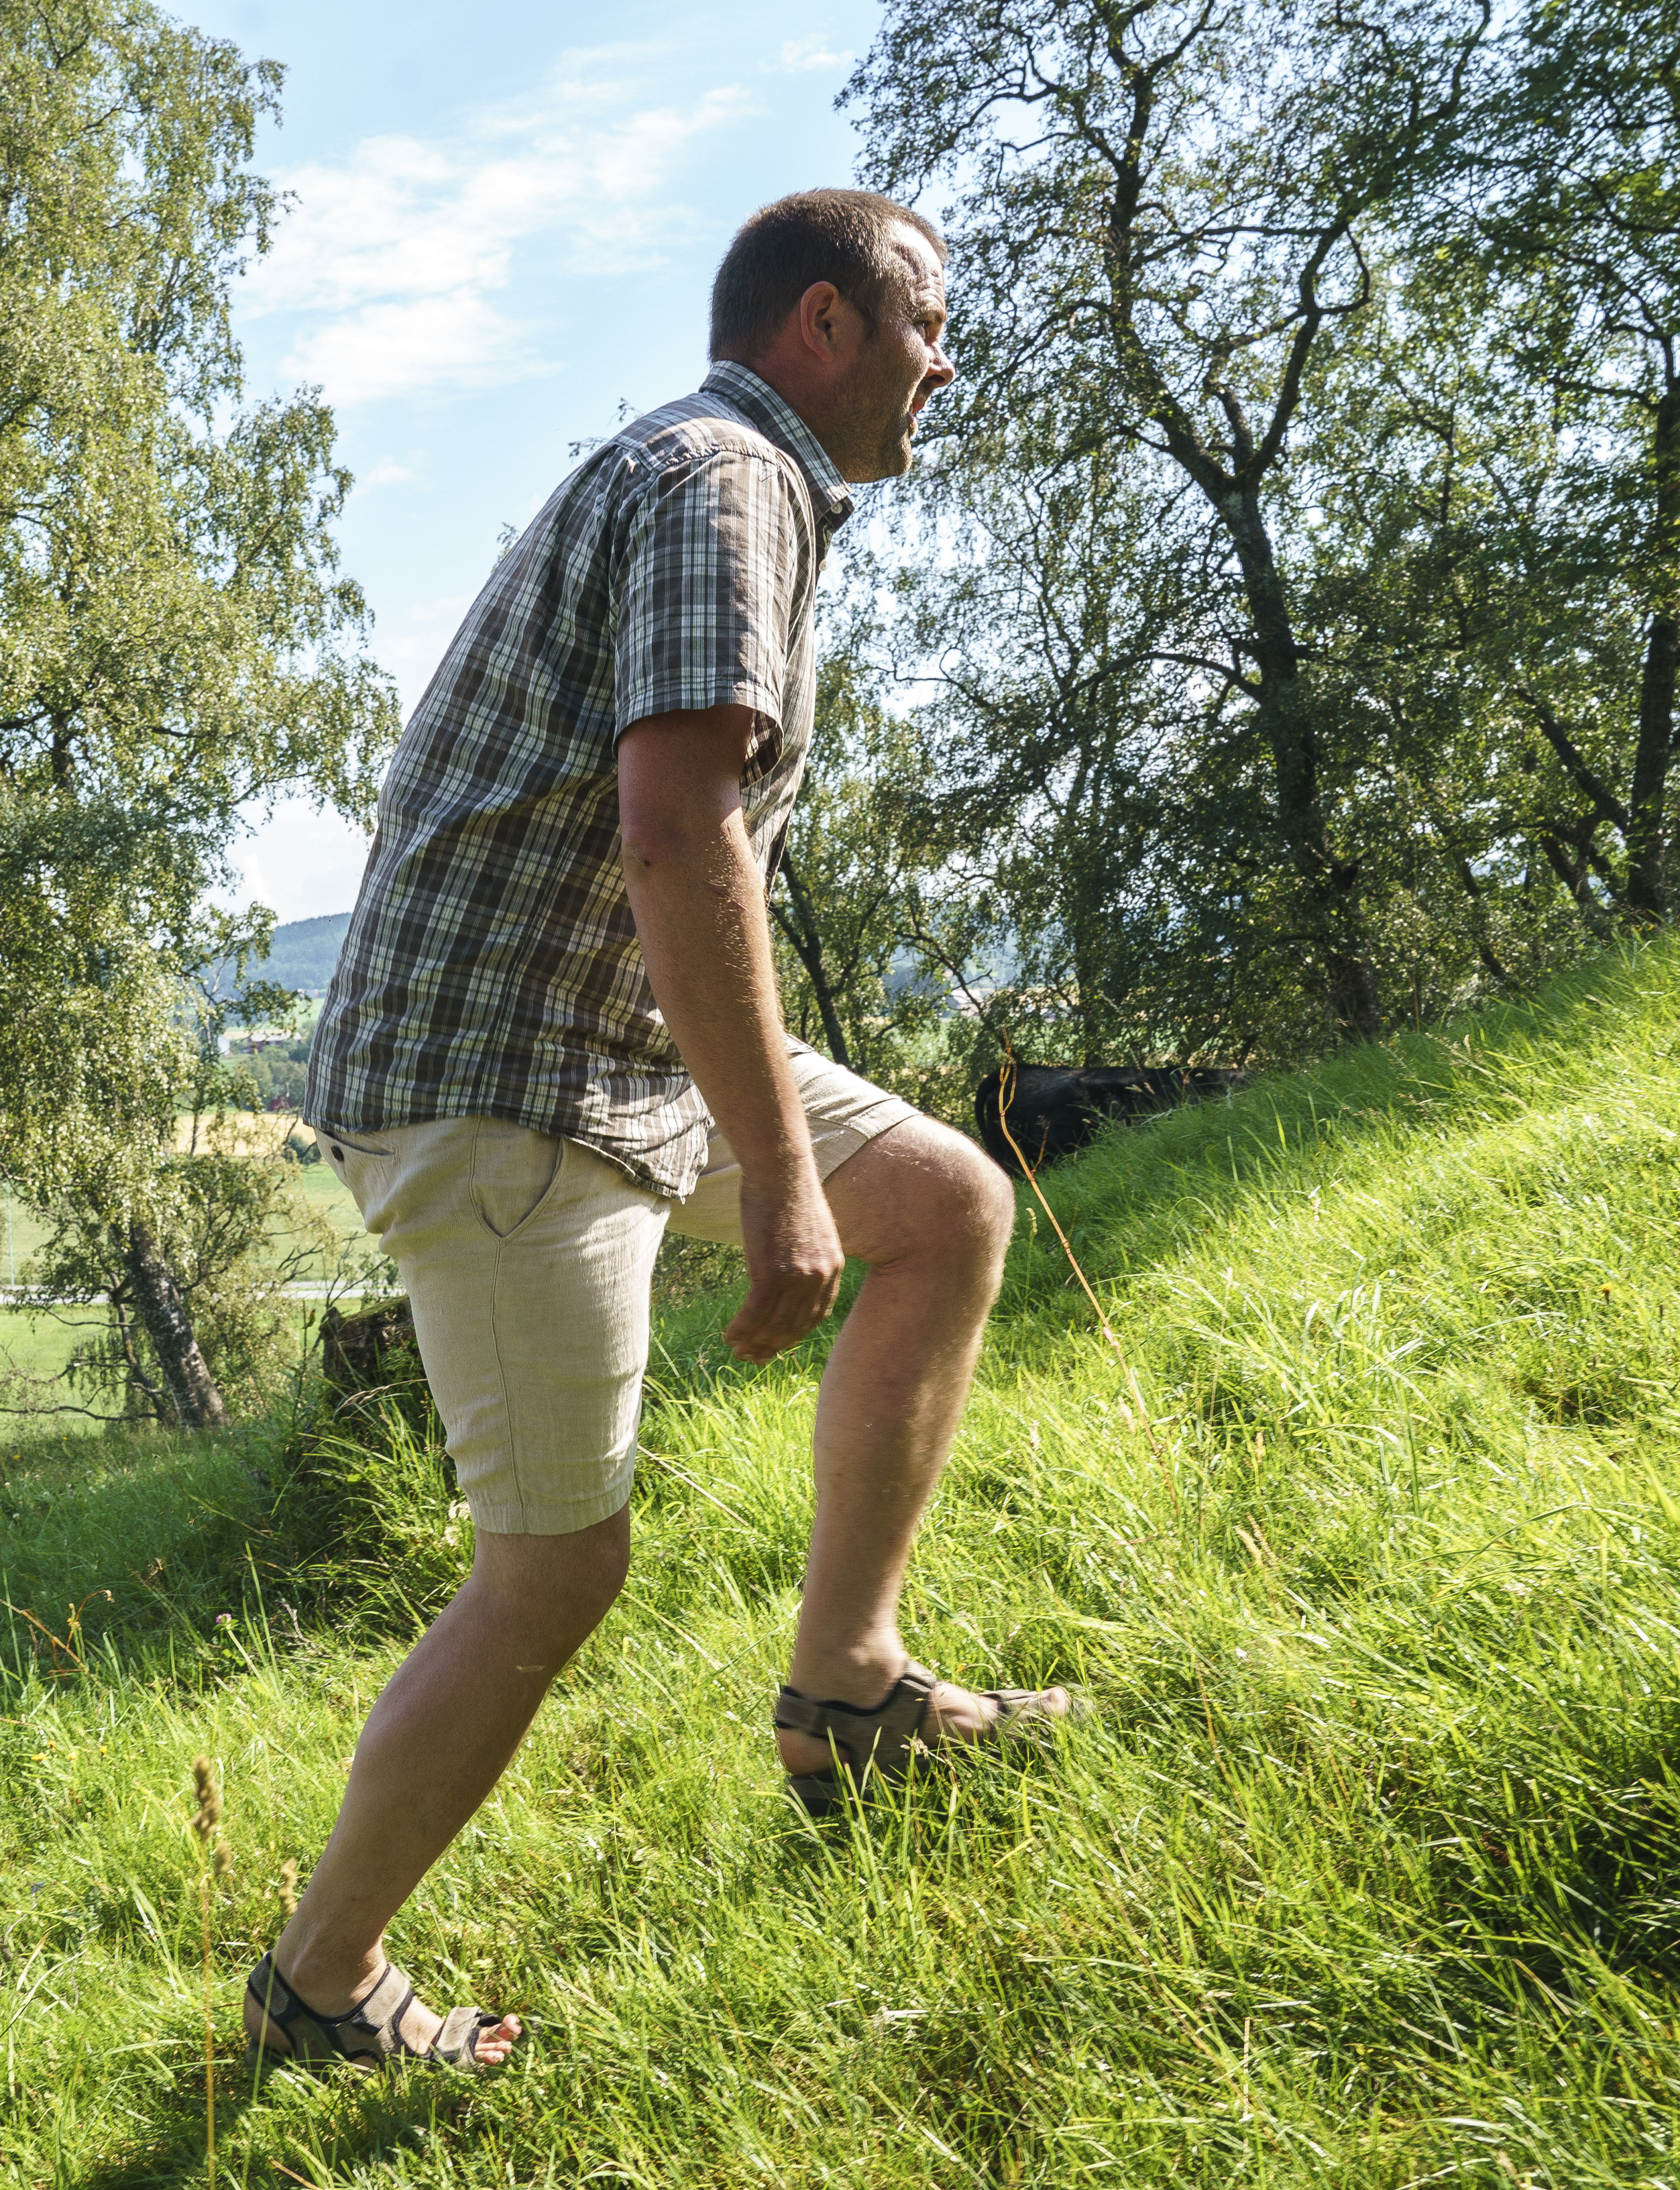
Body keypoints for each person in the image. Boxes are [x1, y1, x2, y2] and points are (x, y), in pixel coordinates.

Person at [249, 190, 1073, 2073]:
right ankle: (316, 1984)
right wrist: (780, 1178)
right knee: (556, 1568)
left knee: (943, 1205)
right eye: (927, 327)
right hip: (504, 1076)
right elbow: (677, 828)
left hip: (609, 1045)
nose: (947, 365)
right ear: (822, 326)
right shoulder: (726, 478)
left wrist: (795, 1146)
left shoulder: (719, 476)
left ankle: (848, 1688)